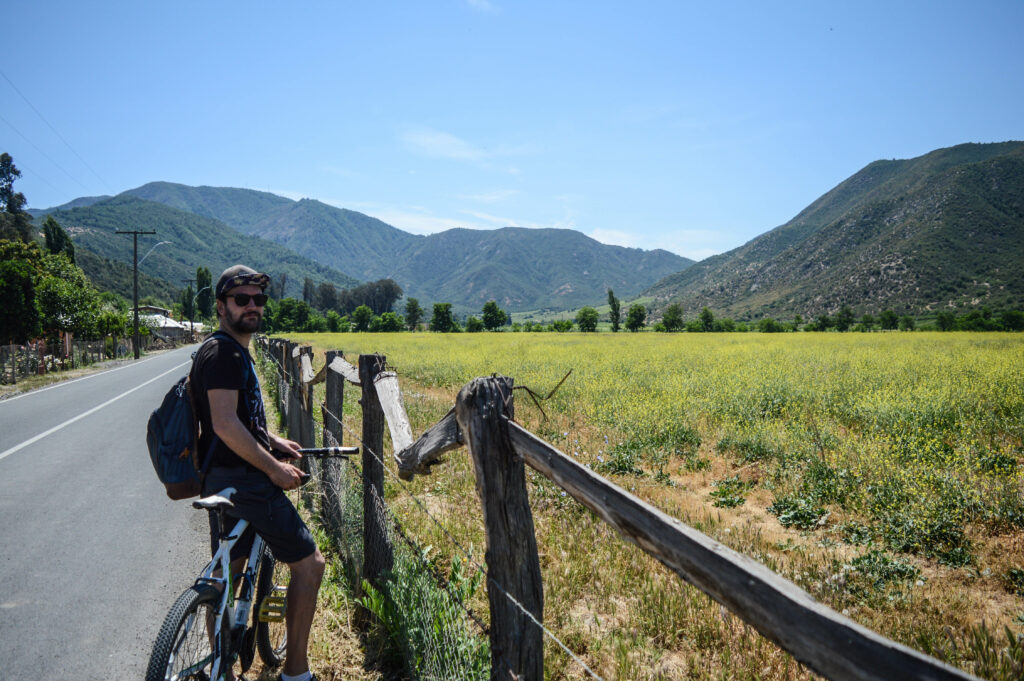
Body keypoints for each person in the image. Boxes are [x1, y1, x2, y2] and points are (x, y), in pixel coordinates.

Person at [191, 264, 324, 681]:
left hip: (222, 477)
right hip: (245, 481)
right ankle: (296, 673)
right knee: (310, 564)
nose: (252, 306)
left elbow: (240, 420)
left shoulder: (225, 349)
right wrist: (275, 469)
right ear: (221, 306)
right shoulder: (225, 353)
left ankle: (221, 669)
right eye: (241, 299)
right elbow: (225, 424)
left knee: (228, 571)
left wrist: (272, 439)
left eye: (258, 299)